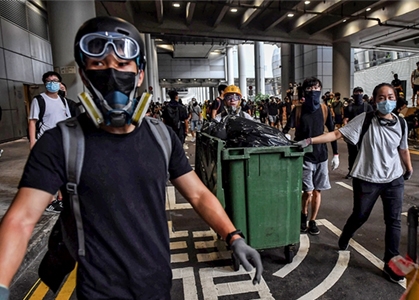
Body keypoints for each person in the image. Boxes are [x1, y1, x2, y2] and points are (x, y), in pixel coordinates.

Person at [0, 16, 262, 300]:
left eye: (123, 64)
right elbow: (22, 218)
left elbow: (198, 194)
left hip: (157, 284)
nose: (113, 73)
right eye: (99, 64)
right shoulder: (60, 143)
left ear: (139, 74)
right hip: (99, 291)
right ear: (84, 75)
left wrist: (233, 236)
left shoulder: (161, 138)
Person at [295, 83, 413, 283]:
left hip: (393, 179)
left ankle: (391, 261)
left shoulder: (401, 123)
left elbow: (403, 148)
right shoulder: (365, 120)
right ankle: (345, 235)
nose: (387, 101)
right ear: (374, 101)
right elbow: (336, 134)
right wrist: (309, 141)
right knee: (360, 215)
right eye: (382, 98)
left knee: (393, 220)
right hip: (367, 179)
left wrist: (408, 168)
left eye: (391, 97)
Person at [282, 77, 335, 236]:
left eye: (317, 88)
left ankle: (312, 220)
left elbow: (333, 132)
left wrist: (336, 154)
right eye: (310, 89)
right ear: (305, 91)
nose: (314, 92)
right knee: (308, 191)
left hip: (322, 156)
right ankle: (303, 214)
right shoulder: (297, 110)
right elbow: (286, 129)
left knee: (318, 191)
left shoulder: (325, 109)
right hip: (304, 157)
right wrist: (286, 139)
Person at [28, 71, 71, 213]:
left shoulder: (63, 101)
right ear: (45, 83)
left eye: (55, 80)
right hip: (44, 142)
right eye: (49, 80)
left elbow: (67, 121)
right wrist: (33, 142)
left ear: (60, 83)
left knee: (62, 171)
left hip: (61, 141)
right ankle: (49, 201)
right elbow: (32, 122)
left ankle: (60, 199)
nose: (52, 83)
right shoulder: (39, 100)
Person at [343, 86, 373, 178]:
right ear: (353, 94)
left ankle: (364, 171)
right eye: (357, 92)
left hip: (365, 133)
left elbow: (373, 119)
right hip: (352, 133)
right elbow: (345, 119)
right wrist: (346, 131)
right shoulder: (349, 107)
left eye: (360, 92)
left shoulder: (367, 106)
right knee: (352, 154)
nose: (359, 94)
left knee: (365, 152)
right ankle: (351, 171)